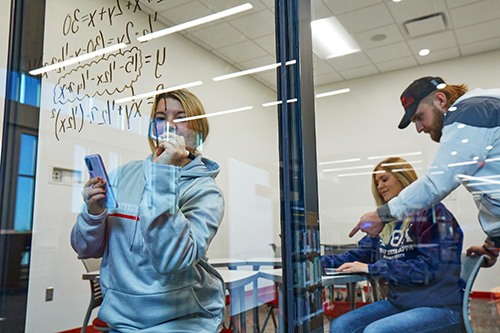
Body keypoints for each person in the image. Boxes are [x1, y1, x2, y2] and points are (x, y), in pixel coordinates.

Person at [71, 89, 226, 332]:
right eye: (161, 117)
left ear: (199, 130)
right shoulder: (123, 175)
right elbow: (85, 248)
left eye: (181, 118)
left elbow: (171, 260)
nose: (170, 126)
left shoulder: (205, 191)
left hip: (183, 322)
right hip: (121, 321)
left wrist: (163, 174)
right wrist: (93, 213)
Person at [351, 77, 500, 266]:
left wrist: (381, 215)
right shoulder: (486, 112)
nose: (419, 128)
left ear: (440, 100)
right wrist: (493, 244)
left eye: (419, 117)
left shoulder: (470, 112)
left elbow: (436, 183)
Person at [323, 157, 464, 332]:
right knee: (340, 326)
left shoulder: (434, 213)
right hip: (400, 302)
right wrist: (313, 263)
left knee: (376, 331)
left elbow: (431, 269)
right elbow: (356, 256)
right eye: (377, 182)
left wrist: (373, 268)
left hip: (440, 306)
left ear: (404, 178)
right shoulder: (384, 223)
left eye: (385, 179)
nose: (379, 186)